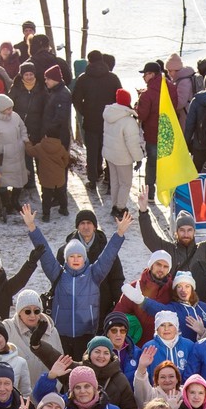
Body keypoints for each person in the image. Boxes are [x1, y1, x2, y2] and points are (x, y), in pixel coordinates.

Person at [24, 206, 132, 359]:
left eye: (79, 256)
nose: (75, 259)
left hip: (86, 334)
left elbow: (109, 255)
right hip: (61, 333)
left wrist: (119, 233)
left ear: (85, 259)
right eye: (71, 256)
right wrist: (32, 227)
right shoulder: (58, 274)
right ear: (66, 259)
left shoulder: (94, 274)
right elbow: (45, 253)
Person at [71, 50, 122, 188]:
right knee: (109, 149)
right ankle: (110, 178)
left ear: (89, 61)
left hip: (91, 120)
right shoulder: (113, 78)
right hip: (109, 120)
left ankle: (93, 179)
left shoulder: (83, 78)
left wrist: (84, 111)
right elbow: (120, 98)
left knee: (92, 151)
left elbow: (75, 99)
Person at [135, 61, 178, 192]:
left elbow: (142, 115)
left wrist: (137, 105)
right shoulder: (170, 87)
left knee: (152, 164)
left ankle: (150, 193)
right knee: (167, 163)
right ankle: (167, 192)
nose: (143, 77)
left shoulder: (147, 94)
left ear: (152, 74)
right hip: (167, 133)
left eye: (145, 74)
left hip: (153, 134)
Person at [101, 89, 144, 216]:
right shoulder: (128, 121)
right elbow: (133, 143)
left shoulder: (109, 114)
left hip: (110, 155)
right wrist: (138, 158)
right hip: (123, 157)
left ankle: (115, 205)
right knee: (125, 183)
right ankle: (120, 208)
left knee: (114, 181)